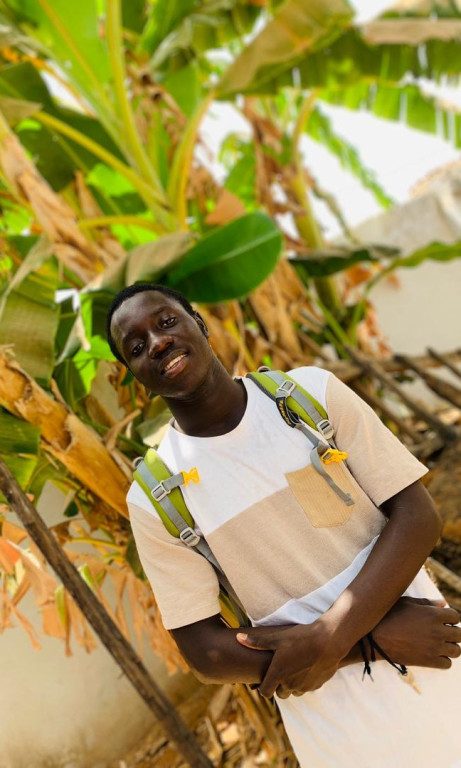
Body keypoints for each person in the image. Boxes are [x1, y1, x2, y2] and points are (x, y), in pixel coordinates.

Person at [107, 283, 461, 768]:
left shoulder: (308, 399)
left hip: (434, 658)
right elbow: (205, 653)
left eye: (166, 322)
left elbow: (418, 516)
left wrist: (330, 634)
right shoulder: (158, 496)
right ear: (136, 377)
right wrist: (368, 642)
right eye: (136, 347)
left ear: (200, 323)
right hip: (336, 718)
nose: (157, 342)